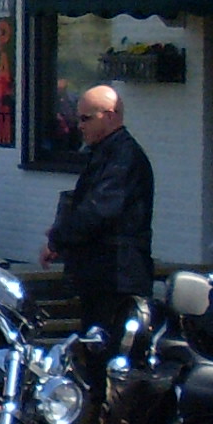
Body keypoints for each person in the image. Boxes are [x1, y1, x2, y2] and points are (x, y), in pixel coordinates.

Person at [46, 83, 153, 342]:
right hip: (101, 275)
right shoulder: (105, 153)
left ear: (110, 116)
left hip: (117, 278)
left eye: (86, 119)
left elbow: (98, 211)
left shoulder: (124, 157)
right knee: (93, 346)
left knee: (108, 349)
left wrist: (58, 238)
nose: (79, 126)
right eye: (77, 119)